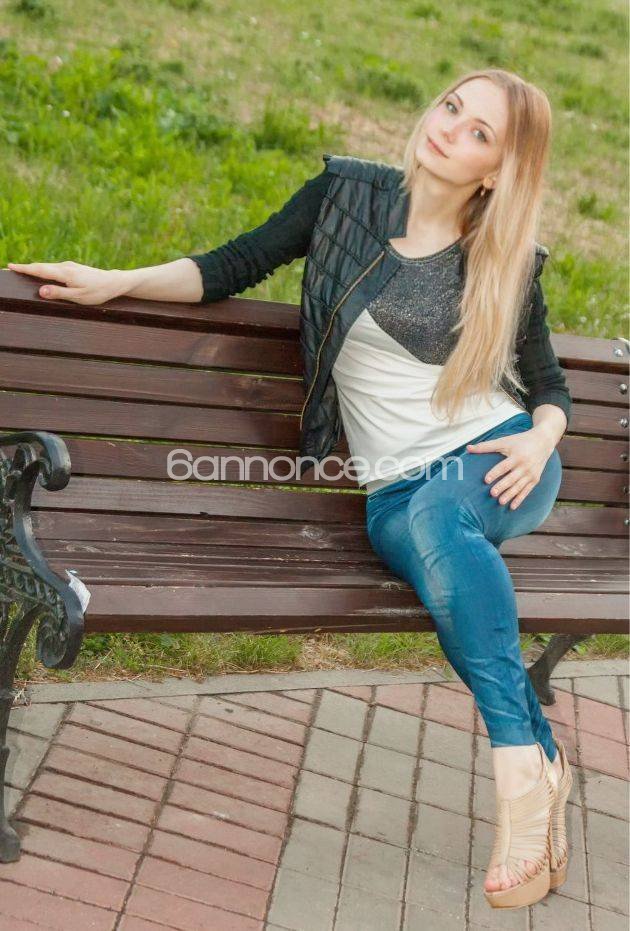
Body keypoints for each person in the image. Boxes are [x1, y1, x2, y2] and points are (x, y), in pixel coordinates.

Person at [7, 67, 573, 910]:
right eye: (452, 105)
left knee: (443, 519)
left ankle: (518, 776)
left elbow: (550, 385)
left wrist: (541, 435)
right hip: (395, 492)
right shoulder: (344, 198)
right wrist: (118, 279)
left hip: (499, 459)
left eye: (479, 132)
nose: (450, 127)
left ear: (496, 171)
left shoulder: (502, 258)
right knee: (432, 541)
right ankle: (546, 762)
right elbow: (232, 264)